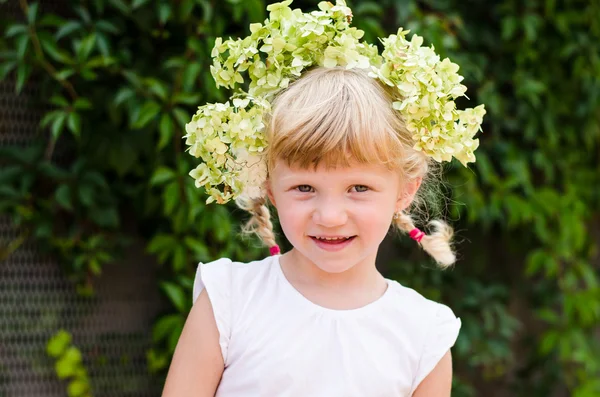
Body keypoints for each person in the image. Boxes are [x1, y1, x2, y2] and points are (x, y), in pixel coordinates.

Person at [162, 1, 485, 396]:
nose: (330, 216)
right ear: (269, 187)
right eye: (304, 188)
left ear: (405, 190)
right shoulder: (228, 301)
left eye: (359, 189)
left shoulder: (424, 334)